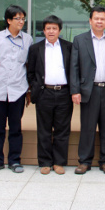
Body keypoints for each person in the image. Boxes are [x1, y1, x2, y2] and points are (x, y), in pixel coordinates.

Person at [0, 5, 33, 174]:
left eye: (23, 18)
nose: (21, 22)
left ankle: (15, 161)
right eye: (18, 19)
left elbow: (28, 66)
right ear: (9, 20)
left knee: (16, 128)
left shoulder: (28, 39)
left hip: (18, 90)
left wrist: (29, 91)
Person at [70, 7, 105, 175]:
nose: (99, 21)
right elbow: (74, 66)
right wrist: (75, 90)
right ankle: (84, 161)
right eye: (96, 18)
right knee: (87, 127)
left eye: (102, 19)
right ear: (90, 21)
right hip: (87, 91)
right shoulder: (79, 40)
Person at [27, 15, 73, 175]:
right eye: (48, 28)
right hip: (44, 92)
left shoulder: (69, 47)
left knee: (62, 129)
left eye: (54, 28)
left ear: (59, 30)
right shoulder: (35, 48)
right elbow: (30, 72)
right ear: (44, 30)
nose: (51, 31)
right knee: (44, 129)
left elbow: (73, 70)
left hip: (64, 93)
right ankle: (45, 162)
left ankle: (59, 162)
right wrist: (36, 89)